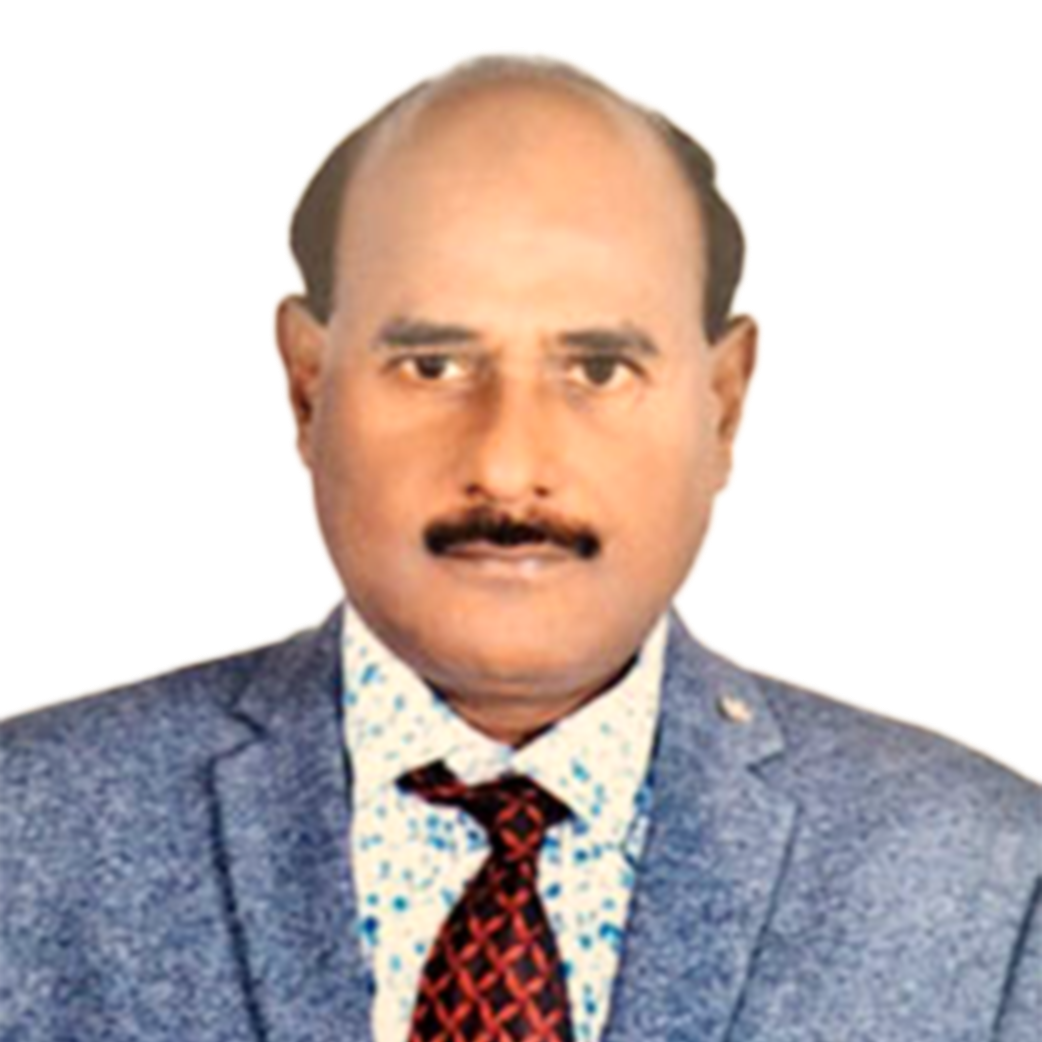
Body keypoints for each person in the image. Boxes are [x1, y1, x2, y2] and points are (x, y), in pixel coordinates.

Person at [1, 48, 1038, 1042]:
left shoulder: (987, 879)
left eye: (597, 370)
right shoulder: (26, 832)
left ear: (725, 403)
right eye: (433, 365)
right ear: (306, 388)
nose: (505, 466)